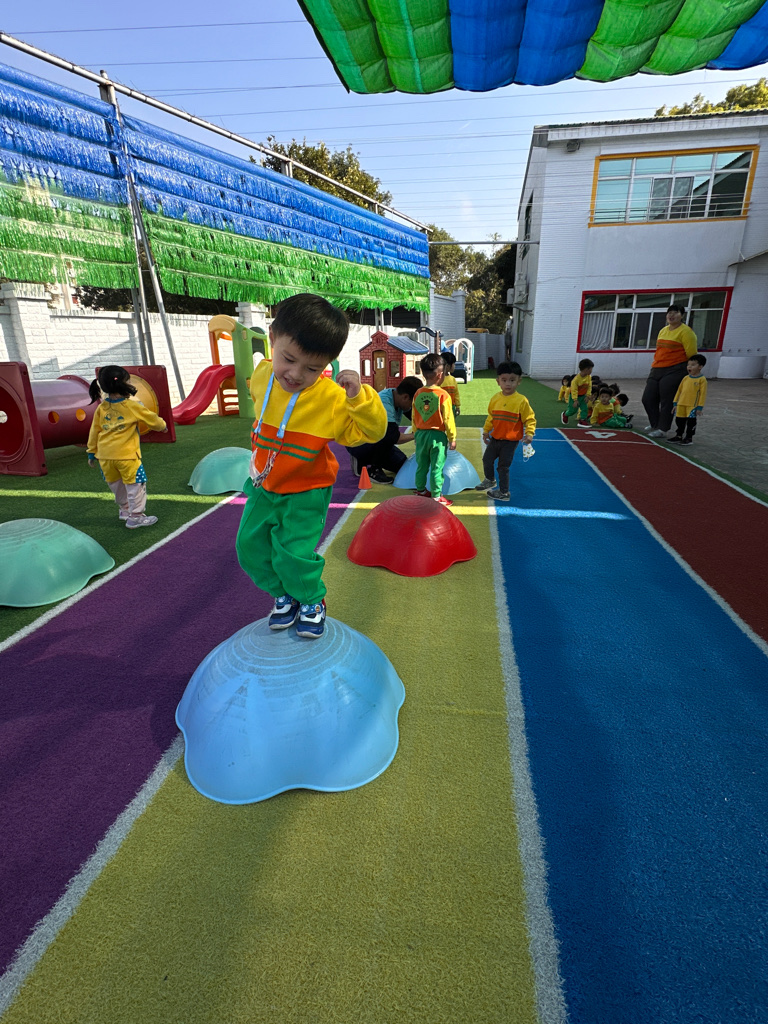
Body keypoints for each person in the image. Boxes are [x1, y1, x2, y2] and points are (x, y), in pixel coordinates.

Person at [235, 293, 387, 640]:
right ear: (273, 338)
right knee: (249, 549)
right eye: (288, 359)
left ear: (327, 365)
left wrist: (359, 398)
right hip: (263, 485)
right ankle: (284, 594)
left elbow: (372, 433)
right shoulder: (262, 375)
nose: (295, 374)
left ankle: (311, 600)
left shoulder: (331, 399)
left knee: (293, 554)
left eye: (312, 368)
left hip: (306, 491)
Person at [86, 364, 167, 529]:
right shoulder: (132, 405)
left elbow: (94, 431)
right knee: (136, 485)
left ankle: (125, 510)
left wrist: (91, 452)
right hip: (127, 457)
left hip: (105, 458)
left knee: (116, 486)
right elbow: (152, 419)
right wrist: (163, 426)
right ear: (123, 384)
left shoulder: (101, 408)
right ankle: (136, 517)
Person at [476, 361, 536, 501]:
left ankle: (504, 492)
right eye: (504, 380)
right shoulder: (495, 398)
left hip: (510, 442)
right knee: (487, 460)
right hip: (495, 438)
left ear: (519, 381)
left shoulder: (521, 401)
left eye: (512, 380)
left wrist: (529, 433)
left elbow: (530, 418)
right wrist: (486, 431)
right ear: (498, 381)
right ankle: (490, 480)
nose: (508, 384)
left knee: (503, 466)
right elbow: (491, 416)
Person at [347, 376, 421, 483]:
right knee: (385, 437)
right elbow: (393, 437)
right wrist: (417, 435)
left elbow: (415, 418)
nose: (413, 407)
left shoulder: (396, 396)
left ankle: (363, 460)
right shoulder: (384, 404)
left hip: (374, 440)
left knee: (402, 465)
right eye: (413, 403)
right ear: (405, 397)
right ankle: (373, 468)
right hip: (359, 442)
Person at [642, 304, 698, 438]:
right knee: (648, 398)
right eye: (669, 313)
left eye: (675, 313)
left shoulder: (686, 332)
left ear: (682, 315)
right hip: (657, 367)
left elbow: (691, 354)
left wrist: (692, 372)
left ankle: (663, 429)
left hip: (675, 369)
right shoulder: (663, 330)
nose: (671, 315)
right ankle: (655, 424)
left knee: (667, 400)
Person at [411, 352, 457, 507]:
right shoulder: (443, 395)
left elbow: (414, 415)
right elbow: (448, 418)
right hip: (437, 437)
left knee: (422, 465)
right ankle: (436, 496)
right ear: (440, 375)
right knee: (437, 467)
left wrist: (415, 433)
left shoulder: (418, 393)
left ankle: (420, 490)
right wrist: (452, 437)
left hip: (420, 435)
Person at [667, 354, 708, 445]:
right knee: (679, 421)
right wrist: (675, 403)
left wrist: (699, 407)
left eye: (693, 365)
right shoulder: (685, 378)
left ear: (700, 367)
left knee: (691, 422)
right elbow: (679, 390)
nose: (689, 367)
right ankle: (679, 435)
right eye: (688, 365)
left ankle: (689, 437)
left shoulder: (702, 380)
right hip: (681, 404)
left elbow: (702, 394)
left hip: (692, 406)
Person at [561, 358, 594, 426]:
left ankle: (582, 420)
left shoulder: (589, 377)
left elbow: (589, 386)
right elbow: (574, 390)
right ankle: (565, 414)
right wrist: (575, 400)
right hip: (574, 397)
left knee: (584, 409)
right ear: (586, 369)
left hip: (583, 396)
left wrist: (588, 395)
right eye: (591, 369)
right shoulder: (576, 380)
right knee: (572, 411)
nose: (591, 370)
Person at [440, 351, 461, 416]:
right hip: (440, 407)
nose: (454, 366)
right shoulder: (438, 380)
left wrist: (457, 406)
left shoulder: (453, 379)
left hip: (452, 407)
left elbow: (456, 394)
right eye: (454, 364)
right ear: (447, 366)